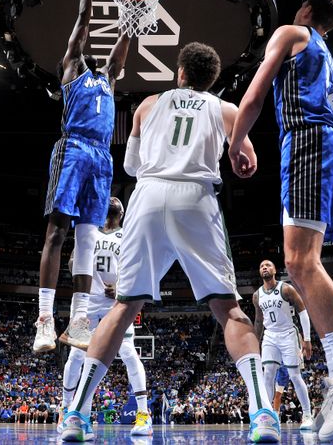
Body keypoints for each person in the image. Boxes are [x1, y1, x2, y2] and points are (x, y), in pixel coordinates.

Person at [61, 42, 280, 443]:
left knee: (124, 307)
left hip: (147, 196)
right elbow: (248, 161)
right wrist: (235, 153)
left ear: (180, 72)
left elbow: (130, 166)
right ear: (211, 80)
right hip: (195, 197)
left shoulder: (148, 105)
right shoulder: (225, 109)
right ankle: (262, 412)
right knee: (228, 309)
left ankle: (75, 414)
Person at [227, 0, 333, 441]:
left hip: (306, 142)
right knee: (302, 263)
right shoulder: (329, 61)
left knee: (300, 263)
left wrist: (236, 141)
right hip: (327, 147)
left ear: (307, 9)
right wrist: (329, 150)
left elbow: (256, 95)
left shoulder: (291, 32)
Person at [34, 0, 132, 354]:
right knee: (58, 231)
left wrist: (133, 6)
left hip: (102, 158)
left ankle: (78, 320)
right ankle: (44, 320)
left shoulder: (108, 77)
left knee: (88, 241)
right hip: (74, 148)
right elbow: (83, 19)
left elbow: (123, 44)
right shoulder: (73, 69)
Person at [58, 198, 151, 437]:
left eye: (116, 199)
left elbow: (139, 268)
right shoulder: (89, 232)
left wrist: (121, 288)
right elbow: (71, 263)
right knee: (77, 355)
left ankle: (143, 416)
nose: (111, 198)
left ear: (121, 211)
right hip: (86, 303)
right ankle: (68, 411)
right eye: (108, 197)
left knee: (129, 352)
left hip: (116, 304)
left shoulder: (128, 235)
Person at [253, 259, 314, 430]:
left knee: (295, 375)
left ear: (274, 270)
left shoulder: (286, 288)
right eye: (261, 266)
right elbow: (258, 321)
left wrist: (307, 339)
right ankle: (267, 415)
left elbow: (302, 311)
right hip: (270, 336)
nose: (264, 267)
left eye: (268, 265)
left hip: (288, 334)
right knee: (268, 375)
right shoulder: (257, 295)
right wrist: (254, 344)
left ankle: (308, 415)